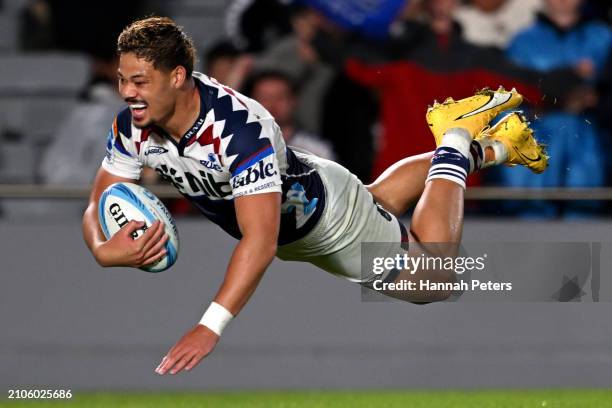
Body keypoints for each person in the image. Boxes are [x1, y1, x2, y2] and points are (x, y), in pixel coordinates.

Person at [82, 17, 547, 376]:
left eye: (139, 81)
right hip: (312, 190)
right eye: (123, 80)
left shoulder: (238, 131)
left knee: (435, 281)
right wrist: (104, 251)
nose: (127, 93)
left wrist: (210, 326)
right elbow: (101, 198)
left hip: (330, 224)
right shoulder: (132, 125)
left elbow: (259, 241)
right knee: (379, 199)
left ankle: (456, 145)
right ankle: (493, 147)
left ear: (178, 76)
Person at [241, 69, 335, 160]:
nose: (272, 104)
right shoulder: (236, 150)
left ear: (293, 101)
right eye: (264, 98)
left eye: (280, 97)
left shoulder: (317, 151)